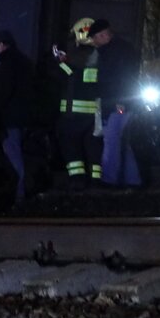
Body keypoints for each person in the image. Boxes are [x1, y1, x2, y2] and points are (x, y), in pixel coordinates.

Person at [89, 18, 142, 187]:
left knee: (111, 141)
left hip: (117, 104)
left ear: (104, 35)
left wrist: (119, 102)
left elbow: (121, 78)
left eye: (95, 37)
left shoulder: (115, 52)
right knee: (121, 142)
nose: (94, 41)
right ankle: (133, 180)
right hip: (120, 103)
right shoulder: (120, 49)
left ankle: (109, 180)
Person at [53, 17, 103, 189]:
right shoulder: (100, 57)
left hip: (72, 116)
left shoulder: (76, 56)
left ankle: (77, 180)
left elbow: (69, 75)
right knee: (94, 148)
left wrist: (59, 63)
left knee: (70, 146)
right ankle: (97, 181)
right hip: (95, 116)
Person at [0, 30, 35, 205]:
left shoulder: (7, 64)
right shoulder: (25, 63)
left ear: (1, 44)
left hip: (10, 118)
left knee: (12, 155)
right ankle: (19, 192)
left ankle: (18, 195)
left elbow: (3, 92)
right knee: (17, 153)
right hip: (24, 117)